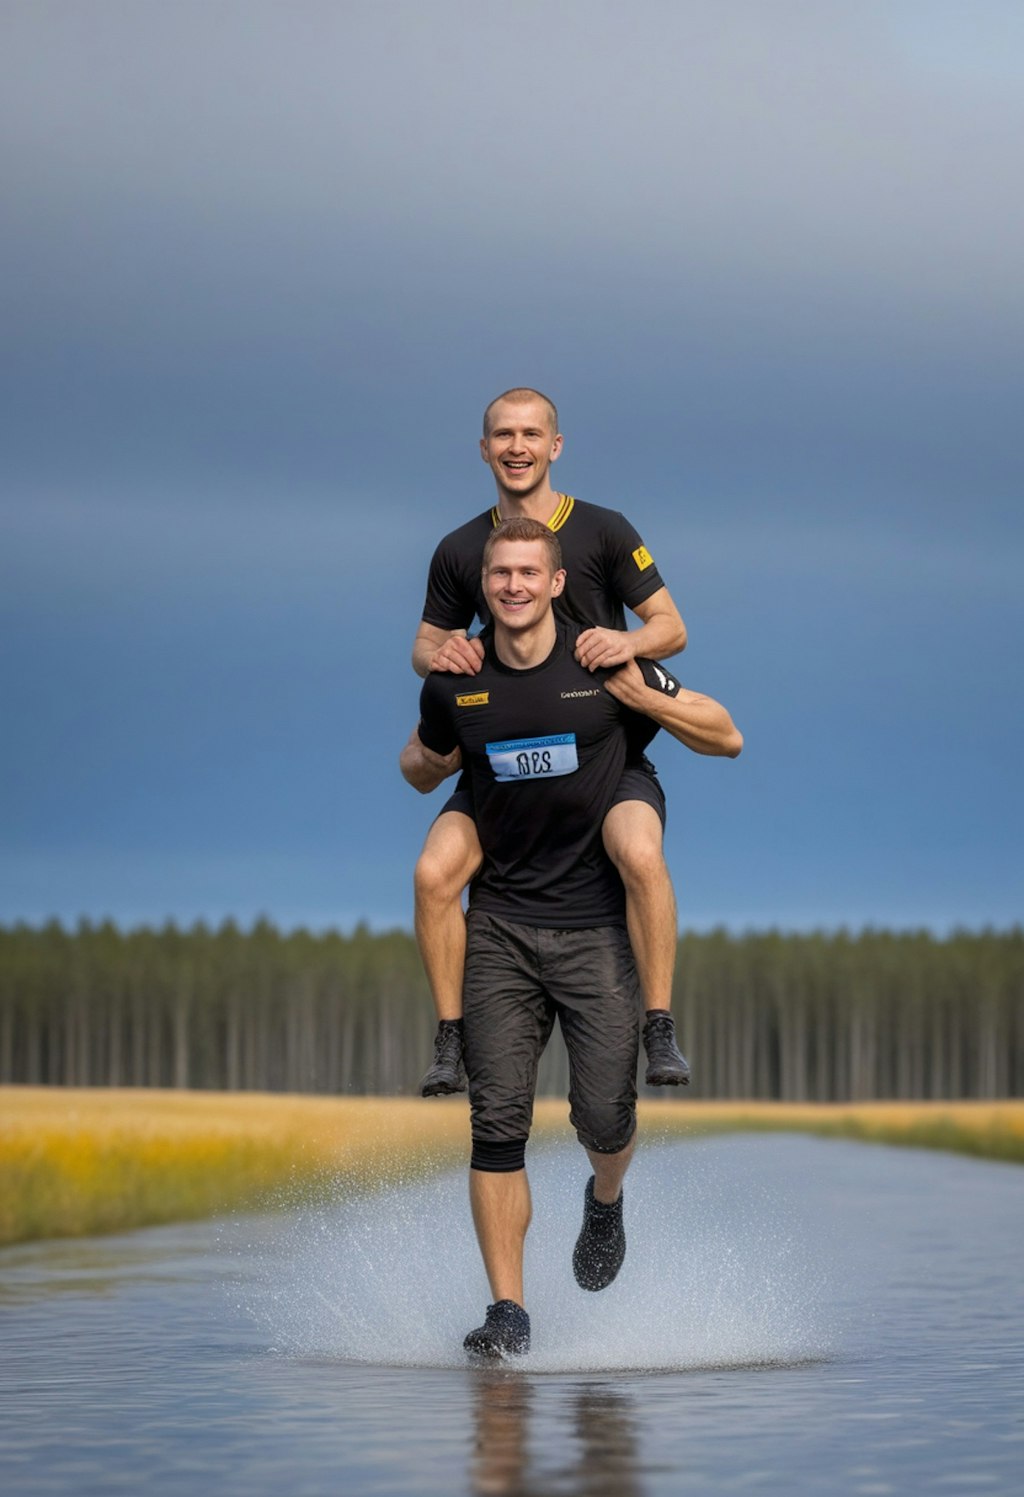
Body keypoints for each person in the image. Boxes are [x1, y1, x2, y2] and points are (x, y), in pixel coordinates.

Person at [400, 518, 742, 1359]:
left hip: (593, 932)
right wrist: (432, 757)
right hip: (503, 930)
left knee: (603, 1116)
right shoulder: (458, 682)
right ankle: (508, 1310)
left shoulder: (602, 663)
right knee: (497, 1123)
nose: (513, 586)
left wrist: (642, 694)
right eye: (499, 574)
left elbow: (725, 732)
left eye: (529, 572)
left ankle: (606, 1196)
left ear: (557, 583)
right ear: (483, 587)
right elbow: (418, 764)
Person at [414, 387, 691, 1098]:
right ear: (483, 449)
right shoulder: (459, 548)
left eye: (530, 434)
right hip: (502, 754)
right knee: (434, 875)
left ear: (555, 446)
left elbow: (671, 626)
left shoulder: (602, 529)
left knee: (638, 851)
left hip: (601, 750)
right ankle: (451, 1035)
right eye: (502, 434)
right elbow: (425, 643)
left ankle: (658, 1021)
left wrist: (621, 643)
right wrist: (446, 658)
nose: (516, 446)